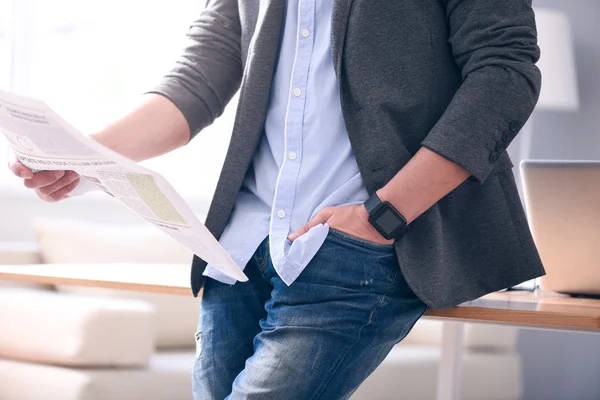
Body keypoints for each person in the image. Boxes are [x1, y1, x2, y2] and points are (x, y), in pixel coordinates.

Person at [9, 0, 546, 398]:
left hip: (359, 245)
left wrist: (386, 214)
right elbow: (202, 75)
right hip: (238, 250)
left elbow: (506, 71)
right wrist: (88, 156)